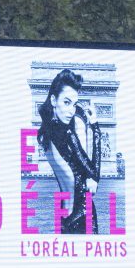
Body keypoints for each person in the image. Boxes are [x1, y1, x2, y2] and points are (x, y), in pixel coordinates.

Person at [37, 67, 102, 234]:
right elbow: (93, 172)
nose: (71, 111)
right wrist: (95, 126)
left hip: (64, 214)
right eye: (66, 102)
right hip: (83, 212)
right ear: (53, 100)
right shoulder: (67, 134)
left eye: (73, 104)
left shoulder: (45, 134)